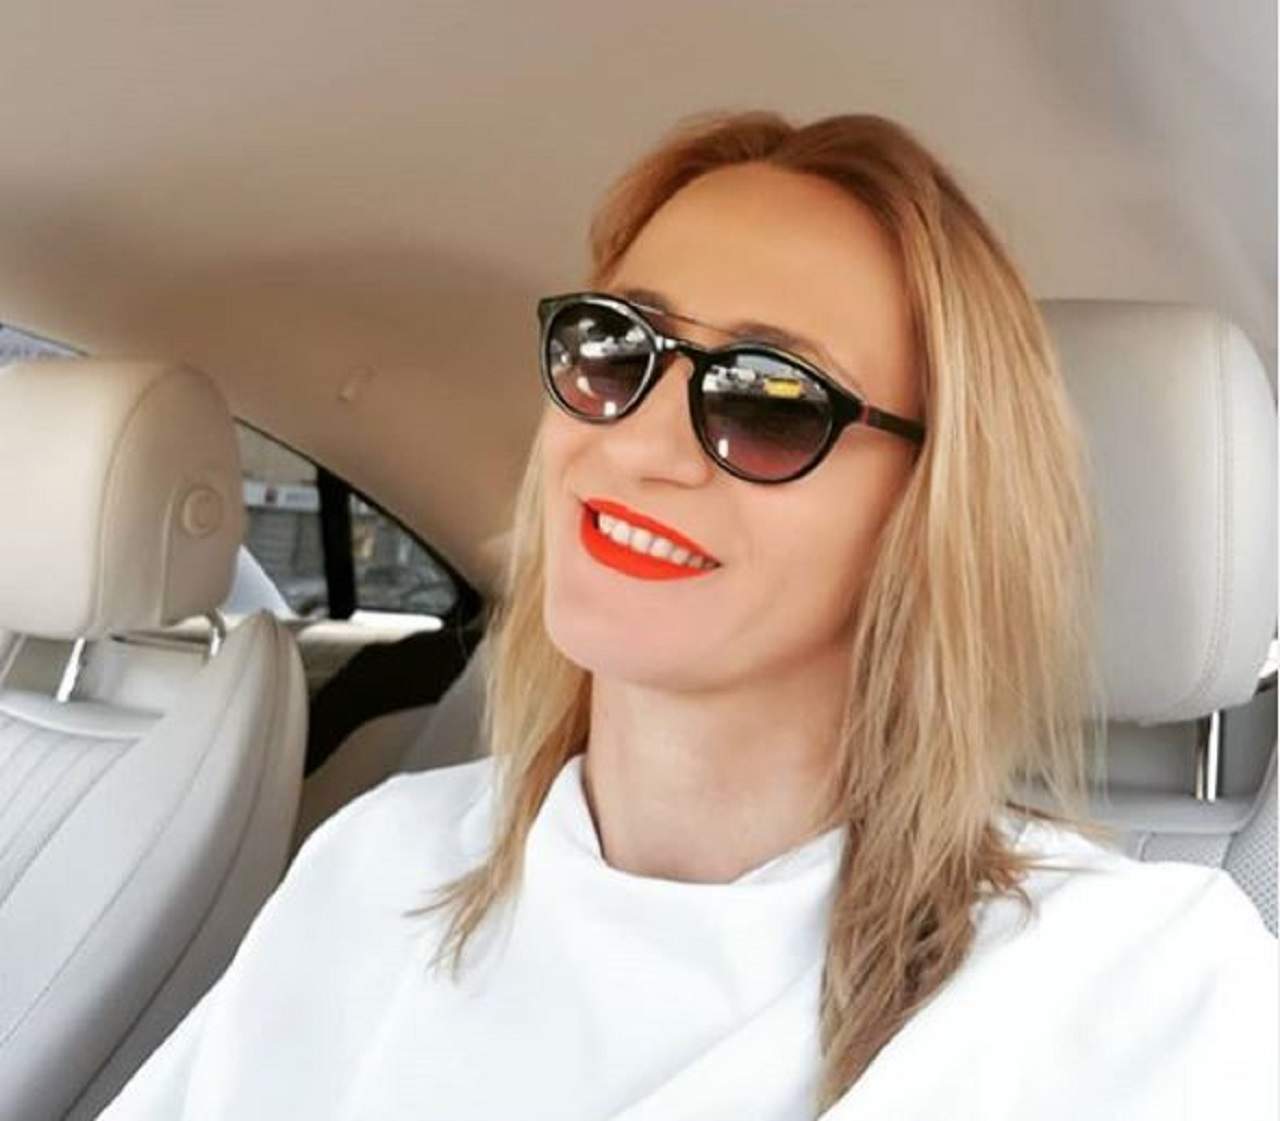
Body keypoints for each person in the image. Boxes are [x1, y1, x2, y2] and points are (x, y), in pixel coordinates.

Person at [99, 110, 1277, 1120]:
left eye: (769, 398)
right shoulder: (378, 863)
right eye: (614, 348)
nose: (638, 443)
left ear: (931, 509)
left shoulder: (1139, 988)